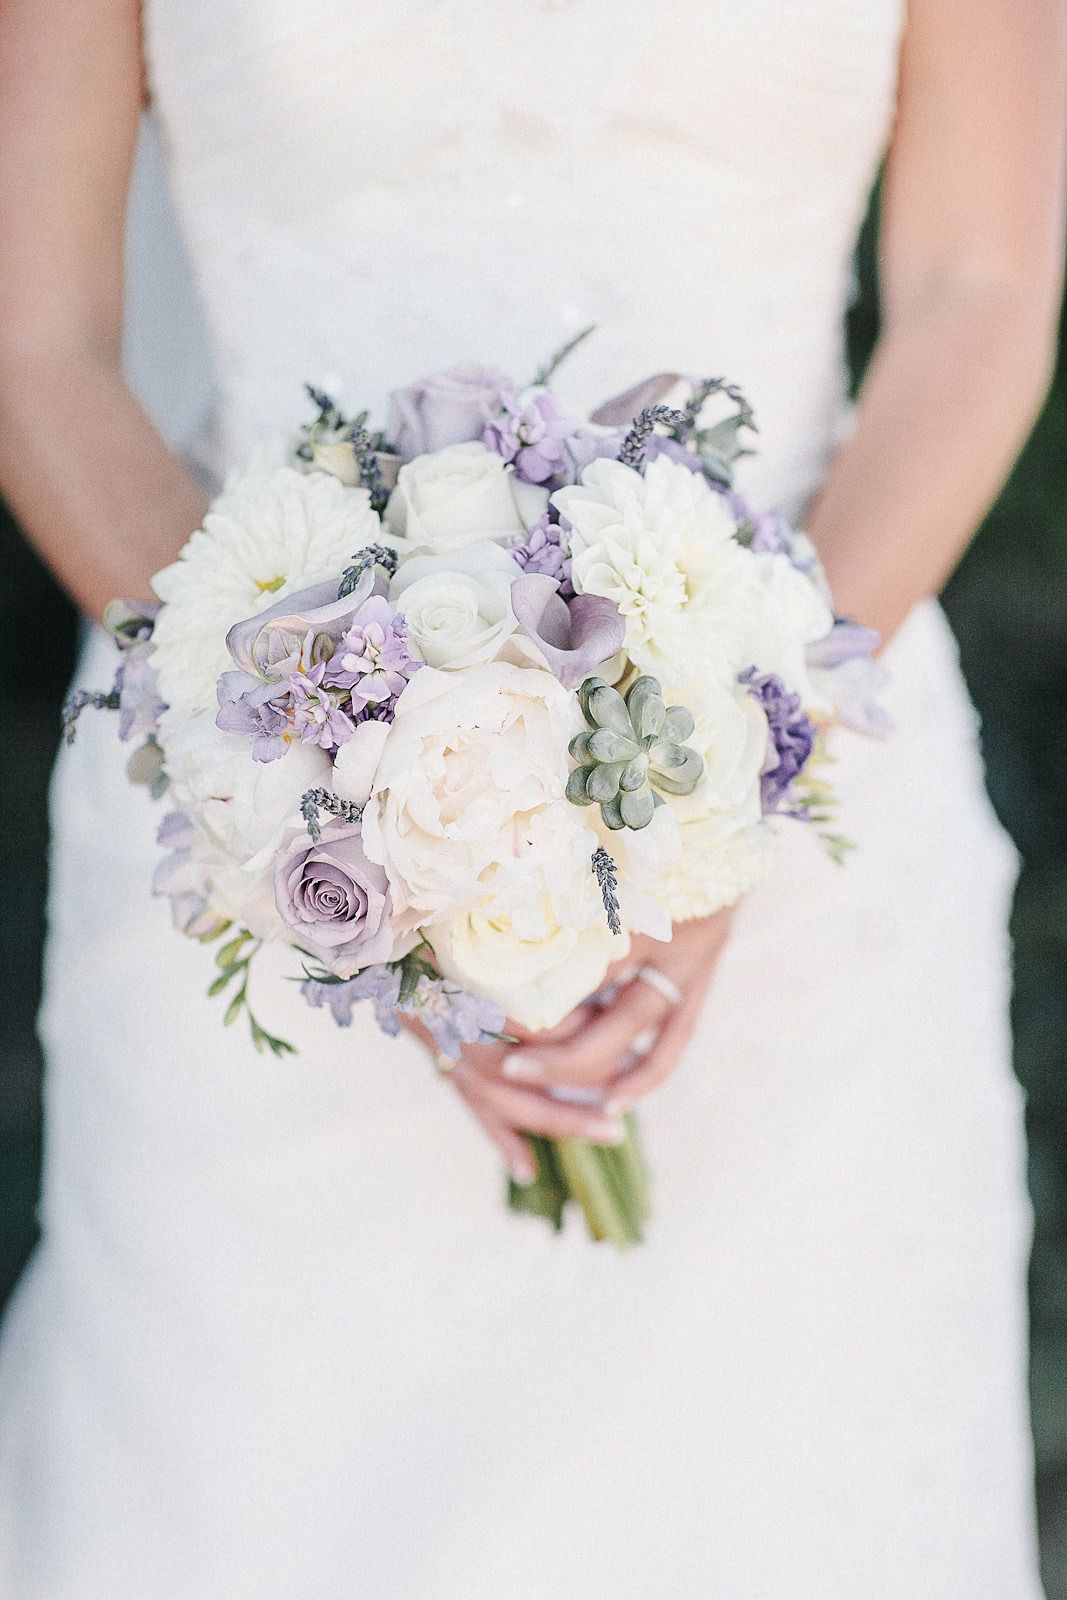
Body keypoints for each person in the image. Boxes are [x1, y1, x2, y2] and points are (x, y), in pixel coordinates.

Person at [0, 2, 1063, 1595]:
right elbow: (38, 342)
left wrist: (739, 771)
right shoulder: (283, 812)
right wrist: (304, 796)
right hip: (261, 877)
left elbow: (977, 289)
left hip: (804, 864)